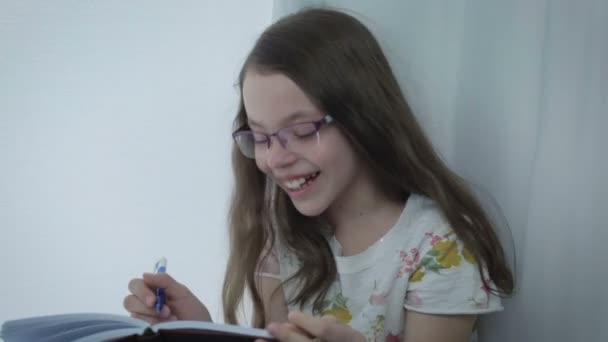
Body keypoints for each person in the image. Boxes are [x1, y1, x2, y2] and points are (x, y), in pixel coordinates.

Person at [123, 8, 514, 342]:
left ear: (363, 117)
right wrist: (197, 329)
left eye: (302, 131)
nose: (275, 159)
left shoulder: (440, 247)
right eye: (260, 137)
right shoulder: (281, 231)